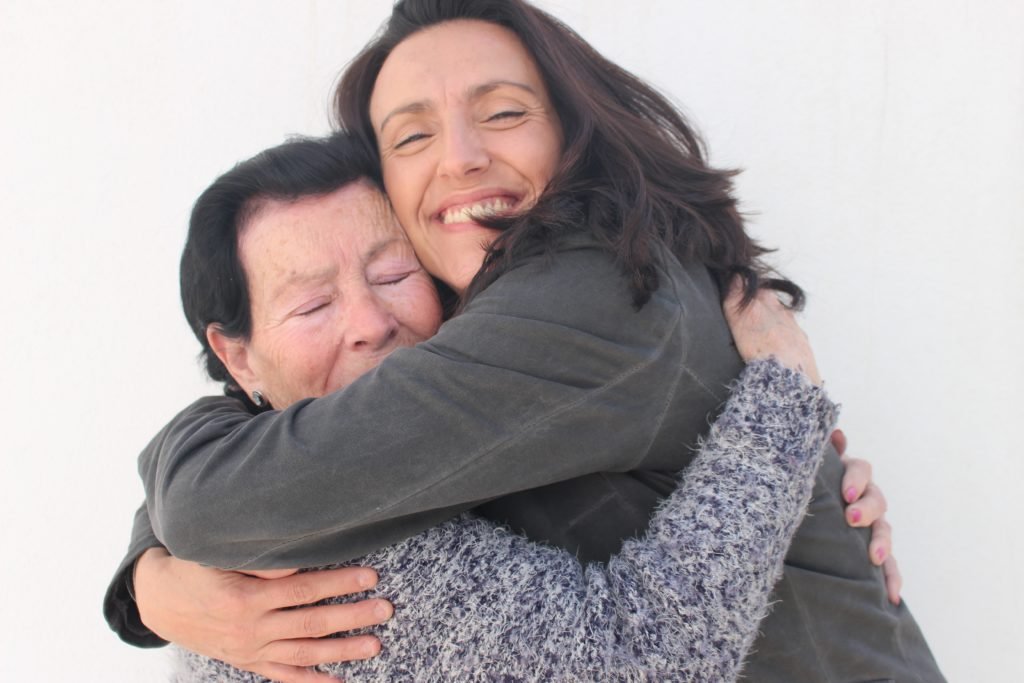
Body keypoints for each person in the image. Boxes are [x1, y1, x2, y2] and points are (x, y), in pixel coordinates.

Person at [106, 0, 943, 681]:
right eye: (412, 136)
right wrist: (150, 576)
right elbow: (295, 459)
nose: (461, 159)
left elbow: (232, 495)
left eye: (503, 113)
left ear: (573, 131)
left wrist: (783, 417)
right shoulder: (493, 311)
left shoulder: (594, 297)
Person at [145, 131, 834, 681]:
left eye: (393, 273)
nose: (370, 323)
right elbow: (647, 662)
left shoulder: (281, 479)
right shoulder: (329, 565)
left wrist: (823, 495)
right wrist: (780, 414)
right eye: (313, 305)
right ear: (237, 356)